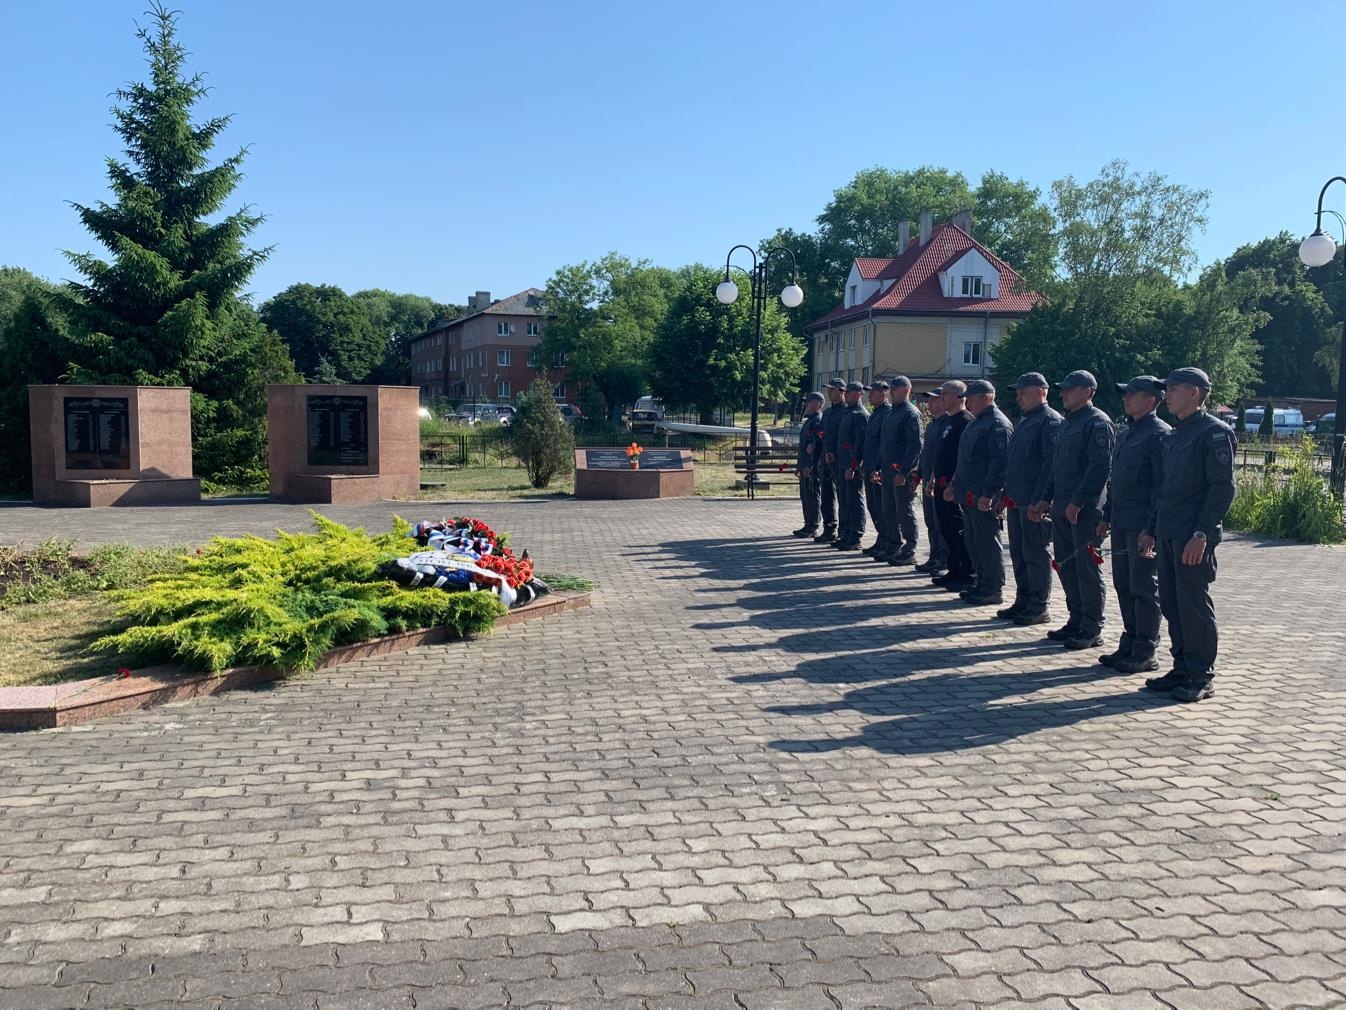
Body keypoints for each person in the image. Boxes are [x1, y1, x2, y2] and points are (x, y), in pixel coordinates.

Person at [1141, 367, 1236, 703]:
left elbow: (1222, 490)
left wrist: (1201, 534)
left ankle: (1200, 674)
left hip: (1191, 535)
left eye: (1173, 388)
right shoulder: (1178, 433)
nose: (1167, 394)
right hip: (1168, 531)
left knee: (1193, 605)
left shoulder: (1213, 432)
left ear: (1195, 392)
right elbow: (1164, 488)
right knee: (1171, 602)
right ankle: (1182, 666)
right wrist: (1151, 529)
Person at [1096, 376, 1171, 673]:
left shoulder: (1160, 434)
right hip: (1123, 522)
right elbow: (1117, 482)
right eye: (1125, 394)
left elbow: (1160, 487)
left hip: (1142, 525)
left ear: (1151, 401)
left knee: (1143, 587)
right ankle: (1129, 642)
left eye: (1132, 394)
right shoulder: (1127, 433)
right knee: (1124, 585)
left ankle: (1145, 649)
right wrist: (1107, 516)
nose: (1126, 398)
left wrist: (1151, 529)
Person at [1041, 370, 1115, 650]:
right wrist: (1046, 498)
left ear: (1087, 391)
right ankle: (1076, 619)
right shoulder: (1068, 424)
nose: (1063, 394)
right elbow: (1056, 467)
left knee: (1086, 569)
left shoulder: (1097, 422)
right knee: (1066, 565)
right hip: (1062, 507)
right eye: (1063, 390)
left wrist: (1079, 502)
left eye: (1070, 389)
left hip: (1084, 511)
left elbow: (1100, 468)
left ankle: (1092, 626)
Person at [1002, 372, 1062, 626]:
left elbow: (1050, 466)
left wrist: (1041, 500)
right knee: (1019, 553)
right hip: (1018, 499)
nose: (1019, 398)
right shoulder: (1027, 421)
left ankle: (1038, 605)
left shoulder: (1051, 422)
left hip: (1034, 502)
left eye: (1023, 393)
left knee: (1036, 555)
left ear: (1040, 392)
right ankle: (1023, 599)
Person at [952, 379, 1013, 606]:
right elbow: (965, 459)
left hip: (983, 496)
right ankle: (981, 583)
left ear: (986, 398)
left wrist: (989, 493)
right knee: (974, 541)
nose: (967, 404)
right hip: (969, 494)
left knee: (988, 542)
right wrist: (954, 485)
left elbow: (999, 464)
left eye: (972, 399)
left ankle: (993, 588)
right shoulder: (977, 422)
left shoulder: (997, 424)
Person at [933, 381, 975, 592]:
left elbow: (962, 458)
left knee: (959, 531)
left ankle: (967, 573)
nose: (941, 398)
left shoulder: (966, 421)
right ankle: (954, 569)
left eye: (945, 394)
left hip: (955, 488)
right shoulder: (947, 422)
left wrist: (953, 483)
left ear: (959, 397)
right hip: (942, 485)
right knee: (947, 529)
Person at [880, 375, 922, 566]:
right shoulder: (892, 412)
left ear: (905, 390)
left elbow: (915, 446)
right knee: (888, 510)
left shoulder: (910, 413)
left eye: (894, 390)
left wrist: (903, 472)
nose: (891, 393)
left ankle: (909, 549)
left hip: (901, 473)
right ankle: (893, 545)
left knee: (904, 510)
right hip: (888, 471)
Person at [913, 390, 948, 576]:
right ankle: (934, 556)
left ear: (944, 402)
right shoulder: (933, 424)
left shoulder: (947, 425)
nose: (929, 404)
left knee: (941, 523)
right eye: (929, 401)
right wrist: (918, 473)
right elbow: (925, 451)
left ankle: (944, 559)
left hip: (939, 480)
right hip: (927, 478)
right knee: (931, 522)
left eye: (934, 401)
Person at [833, 381, 870, 551]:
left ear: (857, 394)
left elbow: (860, 444)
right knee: (845, 500)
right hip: (842, 463)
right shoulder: (848, 412)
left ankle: (856, 535)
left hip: (851, 466)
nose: (844, 395)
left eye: (847, 392)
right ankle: (847, 532)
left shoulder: (860, 414)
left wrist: (853, 466)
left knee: (854, 500)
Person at [861, 381, 893, 559]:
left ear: (884, 393)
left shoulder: (887, 414)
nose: (869, 395)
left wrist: (878, 467)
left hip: (879, 468)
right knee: (873, 505)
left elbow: (883, 445)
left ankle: (888, 540)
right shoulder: (875, 414)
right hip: (870, 466)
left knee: (882, 507)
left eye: (873, 392)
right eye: (869, 392)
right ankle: (882, 538)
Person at [814, 379, 846, 543]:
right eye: (829, 390)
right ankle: (829, 528)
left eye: (833, 390)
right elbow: (822, 436)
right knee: (827, 495)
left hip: (839, 460)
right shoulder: (827, 413)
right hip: (825, 460)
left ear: (842, 392)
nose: (829, 392)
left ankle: (844, 530)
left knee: (843, 497)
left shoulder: (846, 412)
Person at [793, 391, 827, 538]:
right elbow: (804, 447)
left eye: (809, 401)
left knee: (812, 495)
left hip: (811, 467)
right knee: (805, 495)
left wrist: (809, 466)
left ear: (818, 404)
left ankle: (813, 525)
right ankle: (808, 523)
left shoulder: (818, 420)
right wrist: (800, 466)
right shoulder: (810, 420)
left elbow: (816, 446)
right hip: (804, 465)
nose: (806, 404)